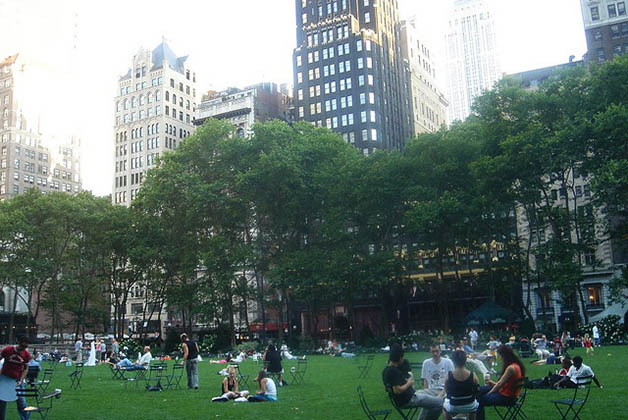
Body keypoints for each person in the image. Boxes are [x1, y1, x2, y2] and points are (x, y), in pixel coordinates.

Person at [382, 344, 444, 420]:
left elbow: (386, 389)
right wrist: (409, 383)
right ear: (400, 358)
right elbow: (397, 390)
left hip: (409, 397)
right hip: (409, 400)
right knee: (440, 403)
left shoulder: (385, 370)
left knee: (430, 403)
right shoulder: (393, 371)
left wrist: (405, 382)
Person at [476, 345, 525, 420]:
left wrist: (490, 393)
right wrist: (491, 383)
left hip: (507, 398)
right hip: (509, 393)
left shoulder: (511, 368)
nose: (499, 358)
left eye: (499, 355)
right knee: (478, 390)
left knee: (480, 399)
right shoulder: (516, 365)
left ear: (504, 355)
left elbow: (499, 384)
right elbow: (504, 385)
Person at [0, 336, 32, 420]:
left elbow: (26, 369)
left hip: (17, 380)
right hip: (5, 378)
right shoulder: (7, 350)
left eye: (26, 347)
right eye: (22, 346)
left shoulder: (26, 355)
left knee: (22, 403)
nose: (23, 348)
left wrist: (21, 380)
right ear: (18, 342)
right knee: (2, 402)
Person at [442, 350, 479, 420]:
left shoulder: (449, 375)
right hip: (470, 404)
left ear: (453, 361)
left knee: (444, 408)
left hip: (454, 405)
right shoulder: (473, 375)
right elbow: (477, 390)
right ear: (465, 360)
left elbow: (446, 390)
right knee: (473, 410)